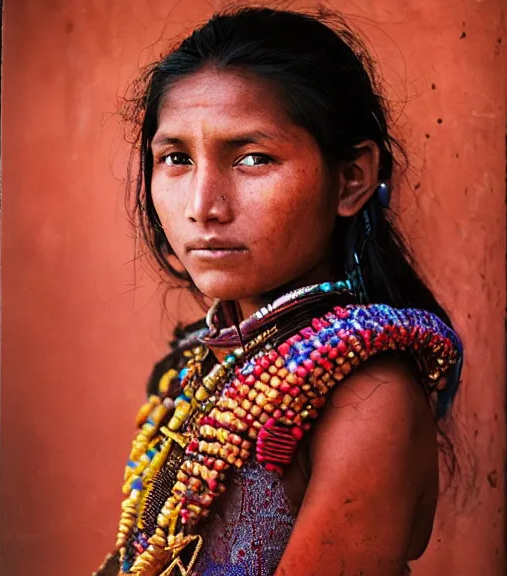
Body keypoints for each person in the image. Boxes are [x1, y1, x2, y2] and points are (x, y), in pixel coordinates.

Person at [94, 6, 463, 576]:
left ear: (351, 178)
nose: (202, 207)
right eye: (176, 159)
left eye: (253, 159)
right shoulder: (204, 362)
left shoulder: (368, 397)